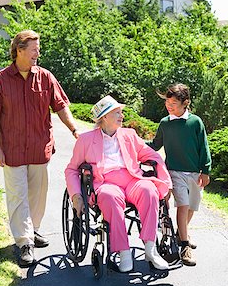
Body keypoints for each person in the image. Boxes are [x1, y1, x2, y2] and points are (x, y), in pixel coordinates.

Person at [0, 30, 79, 267]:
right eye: (34, 49)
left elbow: (61, 106)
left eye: (38, 48)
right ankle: (24, 242)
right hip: (12, 149)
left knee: (38, 194)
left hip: (38, 147)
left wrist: (75, 130)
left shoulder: (45, 77)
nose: (38, 53)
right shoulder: (0, 80)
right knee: (18, 196)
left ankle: (33, 230)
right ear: (19, 50)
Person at [65, 95, 172, 273]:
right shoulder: (85, 140)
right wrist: (76, 196)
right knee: (109, 196)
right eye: (117, 113)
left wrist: (166, 182)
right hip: (105, 182)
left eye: (121, 112)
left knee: (149, 190)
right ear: (105, 117)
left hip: (131, 179)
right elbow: (71, 170)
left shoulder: (129, 135)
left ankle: (150, 248)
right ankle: (123, 252)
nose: (122, 116)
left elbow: (152, 156)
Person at [147, 83, 211, 266]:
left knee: (192, 206)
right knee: (183, 206)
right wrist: (135, 144)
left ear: (186, 103)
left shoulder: (195, 122)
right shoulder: (165, 123)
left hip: (194, 173)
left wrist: (205, 170)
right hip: (174, 172)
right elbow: (155, 144)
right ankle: (184, 246)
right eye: (168, 102)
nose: (169, 106)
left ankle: (181, 233)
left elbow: (203, 147)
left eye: (173, 102)